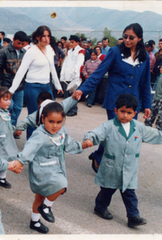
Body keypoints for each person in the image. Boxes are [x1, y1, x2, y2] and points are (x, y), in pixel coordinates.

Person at [73, 23, 152, 173]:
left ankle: (99, 155)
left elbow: (145, 82)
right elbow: (98, 73)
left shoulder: (145, 56)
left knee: (124, 134)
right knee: (115, 133)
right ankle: (110, 164)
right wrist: (82, 90)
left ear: (140, 38)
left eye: (131, 37)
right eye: (125, 37)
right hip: (115, 102)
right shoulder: (116, 52)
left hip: (133, 104)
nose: (127, 40)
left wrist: (147, 105)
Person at [83, 94, 162, 228]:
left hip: (129, 168)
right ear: (116, 111)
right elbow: (95, 133)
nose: (125, 115)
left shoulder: (138, 127)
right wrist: (89, 138)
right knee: (107, 191)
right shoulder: (108, 126)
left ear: (135, 113)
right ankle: (100, 208)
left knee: (130, 193)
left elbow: (155, 135)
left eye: (129, 112)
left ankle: (133, 216)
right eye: (122, 111)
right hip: (111, 168)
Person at [15, 101, 90, 233]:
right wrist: (20, 161)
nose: (55, 126)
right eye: (51, 121)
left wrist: (81, 145)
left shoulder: (62, 131)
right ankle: (44, 209)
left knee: (42, 196)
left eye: (59, 122)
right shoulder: (40, 134)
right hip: (41, 169)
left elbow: (69, 144)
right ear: (43, 118)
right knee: (61, 185)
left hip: (56, 168)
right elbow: (29, 148)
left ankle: (36, 220)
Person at [9, 26, 63, 138]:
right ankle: (31, 144)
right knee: (34, 116)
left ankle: (45, 142)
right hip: (32, 87)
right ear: (38, 37)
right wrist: (12, 90)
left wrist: (58, 86)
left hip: (47, 87)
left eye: (48, 36)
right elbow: (21, 71)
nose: (46, 39)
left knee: (49, 115)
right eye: (44, 36)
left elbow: (53, 69)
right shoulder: (31, 52)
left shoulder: (50, 50)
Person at [0, 31, 27, 126]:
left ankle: (11, 128)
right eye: (18, 43)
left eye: (22, 44)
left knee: (17, 108)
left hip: (19, 87)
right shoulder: (3, 51)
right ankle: (4, 126)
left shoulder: (25, 53)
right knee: (8, 106)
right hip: (6, 85)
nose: (20, 45)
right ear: (13, 40)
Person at [60, 35, 85, 116]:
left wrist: (74, 71)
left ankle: (74, 110)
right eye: (70, 42)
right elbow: (65, 63)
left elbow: (79, 63)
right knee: (67, 93)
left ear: (77, 43)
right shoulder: (69, 51)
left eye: (72, 42)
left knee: (73, 94)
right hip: (66, 74)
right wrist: (62, 73)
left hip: (74, 75)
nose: (70, 44)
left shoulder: (81, 51)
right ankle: (67, 109)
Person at [145, 66, 162, 130]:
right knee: (150, 116)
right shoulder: (160, 76)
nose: (160, 69)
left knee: (160, 119)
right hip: (155, 99)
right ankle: (147, 129)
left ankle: (159, 133)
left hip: (160, 100)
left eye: (161, 68)